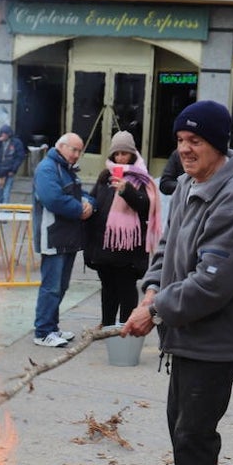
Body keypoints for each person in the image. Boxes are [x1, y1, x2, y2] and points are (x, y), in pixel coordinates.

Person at [122, 101, 233, 465]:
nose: (184, 149)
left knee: (193, 433)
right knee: (182, 426)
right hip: (186, 332)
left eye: (195, 141)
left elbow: (213, 283)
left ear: (218, 145)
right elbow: (165, 247)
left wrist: (156, 311)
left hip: (216, 337)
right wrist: (151, 289)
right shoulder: (186, 185)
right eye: (181, 140)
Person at [84, 130, 162, 327]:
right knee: (107, 288)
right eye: (116, 154)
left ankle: (126, 326)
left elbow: (144, 206)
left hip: (128, 251)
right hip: (104, 246)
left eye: (124, 153)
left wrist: (127, 191)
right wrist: (87, 204)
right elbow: (95, 199)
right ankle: (107, 324)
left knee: (126, 288)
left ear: (132, 155)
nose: (120, 158)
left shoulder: (141, 178)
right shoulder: (105, 176)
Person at [31, 132, 94, 347]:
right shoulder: (47, 168)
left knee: (61, 285)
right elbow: (53, 199)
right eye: (74, 150)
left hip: (67, 237)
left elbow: (80, 193)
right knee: (51, 286)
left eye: (79, 151)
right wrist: (80, 209)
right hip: (53, 236)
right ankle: (42, 331)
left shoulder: (66, 170)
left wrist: (89, 203)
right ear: (61, 147)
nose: (77, 155)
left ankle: (52, 327)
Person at [0, 123, 27, 204]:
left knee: (6, 192)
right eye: (2, 133)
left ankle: (5, 210)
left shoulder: (16, 143)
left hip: (9, 172)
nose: (4, 135)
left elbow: (20, 157)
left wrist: (14, 169)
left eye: (5, 133)